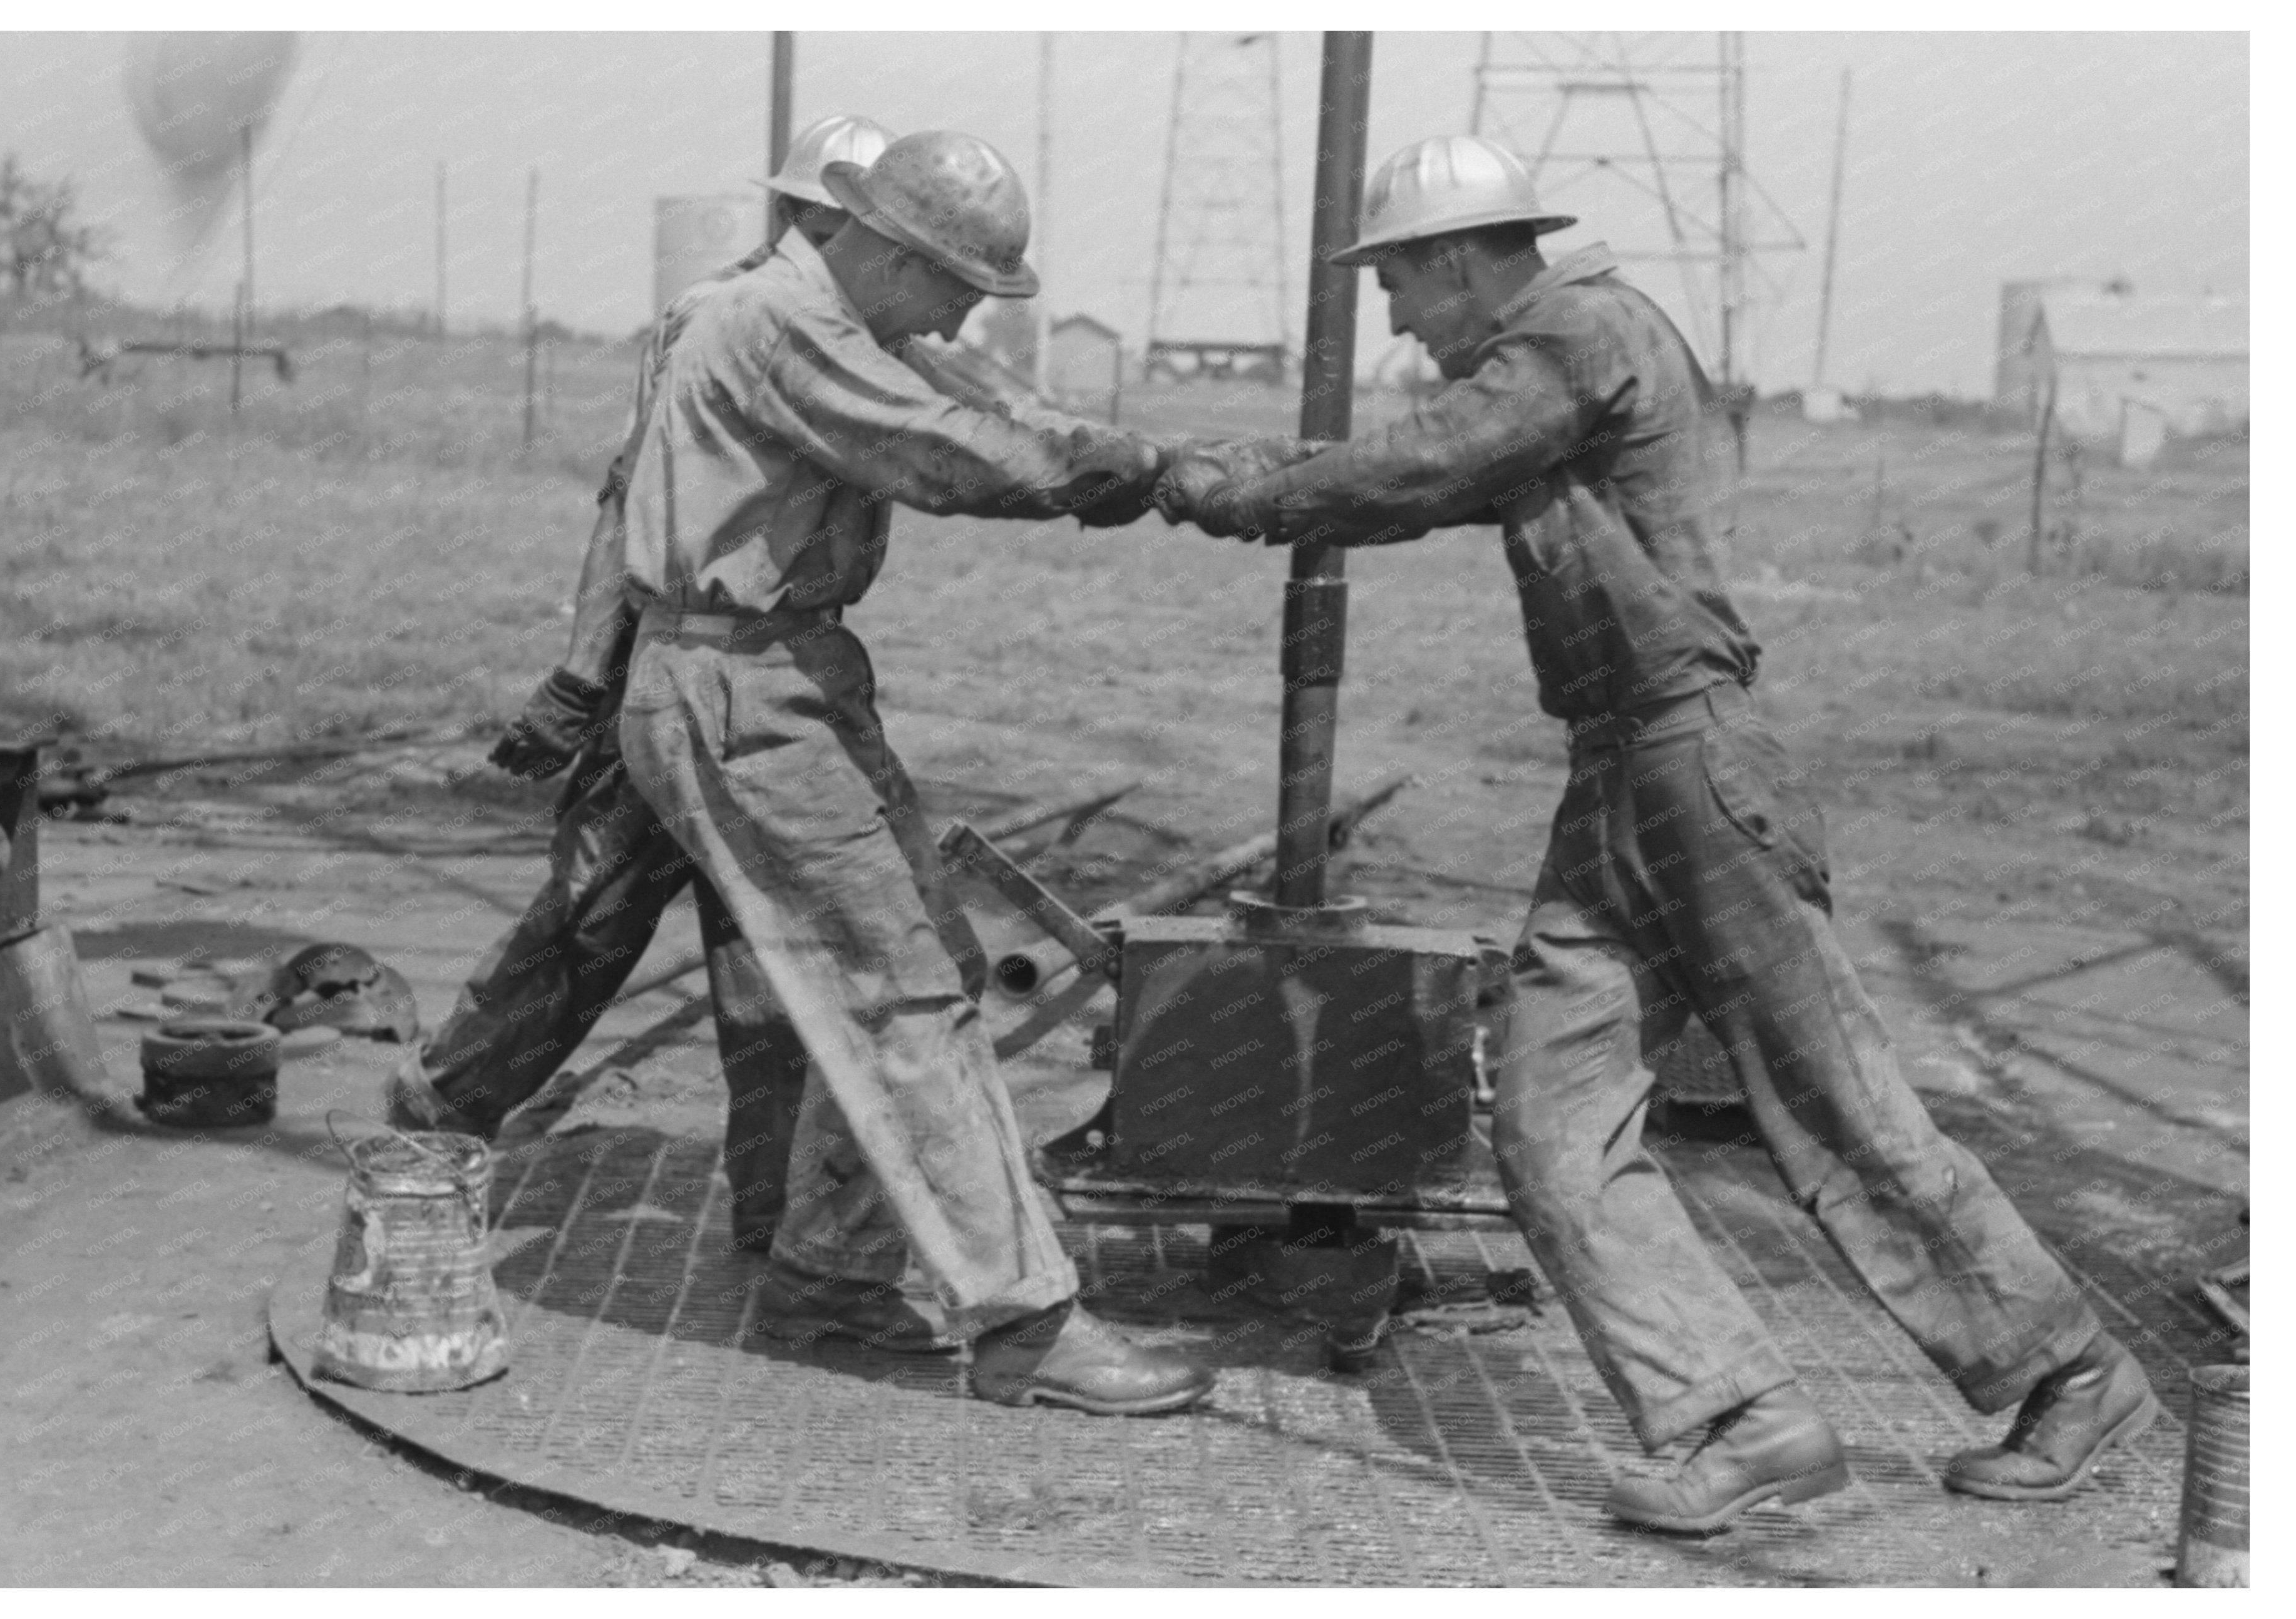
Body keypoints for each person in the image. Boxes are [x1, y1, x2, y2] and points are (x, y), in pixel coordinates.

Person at [1156, 133, 2154, 1528]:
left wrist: (1240, 490)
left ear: (1457, 261)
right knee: (1551, 1127)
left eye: (1395, 282)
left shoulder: (1576, 331)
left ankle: (2069, 1374)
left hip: (1692, 764)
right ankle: (1740, 1417)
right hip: (1615, 781)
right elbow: (1419, 479)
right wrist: (1244, 479)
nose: (1389, 316)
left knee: (1832, 1107)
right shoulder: (1537, 369)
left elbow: (1416, 469)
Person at [611, 126, 1213, 1414]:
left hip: (791, 671)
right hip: (733, 683)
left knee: (921, 976)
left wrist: (1147, 456)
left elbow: (988, 403)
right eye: (951, 282)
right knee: (900, 999)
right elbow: (951, 451)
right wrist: (1128, 476)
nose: (957, 314)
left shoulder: (851, 316)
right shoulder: (779, 324)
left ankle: (829, 1281)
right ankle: (1025, 1323)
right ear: (880, 245)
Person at [389, 116, 897, 1261]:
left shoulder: (859, 340)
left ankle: (775, 1211)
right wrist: (580, 677)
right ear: (821, 221)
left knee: (780, 961)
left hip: (788, 677)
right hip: (674, 668)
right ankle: (435, 1122)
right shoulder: (722, 322)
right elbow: (631, 504)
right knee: (588, 919)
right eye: (872, 231)